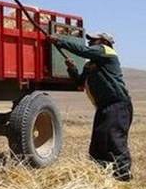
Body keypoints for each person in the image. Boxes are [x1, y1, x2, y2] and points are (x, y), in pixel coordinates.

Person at [49, 31, 133, 180]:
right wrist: (72, 68)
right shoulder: (90, 65)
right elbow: (80, 82)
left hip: (117, 104)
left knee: (114, 140)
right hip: (103, 107)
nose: (89, 43)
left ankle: (123, 178)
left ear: (104, 42)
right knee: (98, 143)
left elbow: (84, 51)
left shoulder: (107, 52)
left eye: (93, 40)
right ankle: (100, 177)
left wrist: (60, 41)